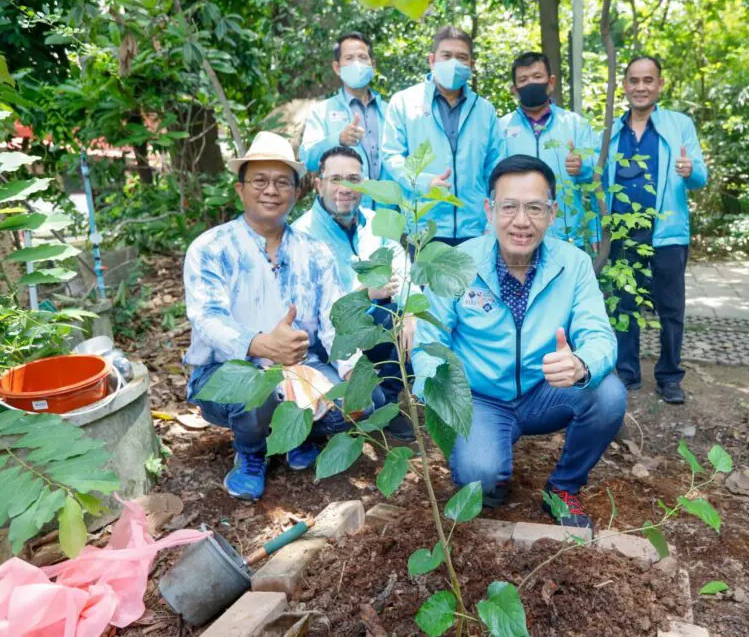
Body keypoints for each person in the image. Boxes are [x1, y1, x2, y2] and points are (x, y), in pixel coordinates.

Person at [411, 155, 626, 531]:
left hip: (544, 392)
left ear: (552, 212)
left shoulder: (573, 264)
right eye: (509, 206)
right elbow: (430, 340)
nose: (521, 221)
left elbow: (599, 334)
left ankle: (562, 487)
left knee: (608, 393)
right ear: (489, 209)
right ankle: (490, 464)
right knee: (479, 477)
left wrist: (581, 364)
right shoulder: (457, 263)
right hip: (479, 398)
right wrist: (440, 397)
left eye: (535, 208)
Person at [183, 131, 381, 501]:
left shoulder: (314, 252)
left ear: (296, 191)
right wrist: (260, 345)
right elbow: (207, 319)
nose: (271, 190)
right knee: (256, 393)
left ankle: (295, 437)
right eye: (260, 181)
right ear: (240, 189)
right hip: (227, 371)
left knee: (365, 401)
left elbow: (335, 320)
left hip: (301, 370)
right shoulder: (210, 248)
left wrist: (352, 368)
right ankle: (252, 453)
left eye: (282, 182)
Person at [293, 145, 415, 440]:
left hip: (376, 324)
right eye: (335, 179)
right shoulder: (302, 235)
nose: (345, 187)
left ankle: (388, 399)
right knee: (361, 402)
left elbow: (404, 268)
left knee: (410, 321)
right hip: (327, 339)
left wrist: (411, 311)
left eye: (354, 179)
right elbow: (307, 310)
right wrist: (363, 293)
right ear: (319, 184)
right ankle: (374, 403)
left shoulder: (377, 222)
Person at [604, 56, 707, 404]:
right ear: (625, 86)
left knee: (670, 308)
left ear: (660, 85)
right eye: (634, 80)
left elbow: (700, 178)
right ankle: (627, 373)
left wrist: (689, 170)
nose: (641, 87)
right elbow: (595, 178)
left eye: (648, 80)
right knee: (623, 304)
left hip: (667, 233)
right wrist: (578, 170)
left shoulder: (679, 124)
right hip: (621, 233)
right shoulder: (610, 128)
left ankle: (669, 376)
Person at [382, 25, 505, 246]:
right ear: (432, 60)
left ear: (471, 65)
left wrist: (493, 218)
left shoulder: (484, 110)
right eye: (446, 56)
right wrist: (424, 183)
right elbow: (392, 157)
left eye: (461, 57)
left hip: (475, 228)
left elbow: (496, 168)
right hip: (423, 225)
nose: (453, 63)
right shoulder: (404, 102)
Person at [499, 51, 600, 247]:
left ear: (551, 82)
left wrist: (583, 167)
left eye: (537, 77)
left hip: (568, 235)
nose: (531, 83)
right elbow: (491, 185)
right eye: (523, 79)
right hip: (517, 236)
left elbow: (600, 175)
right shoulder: (501, 128)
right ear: (514, 89)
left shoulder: (575, 125)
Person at [300, 32, 388, 208]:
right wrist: (337, 140)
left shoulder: (390, 110)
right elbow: (307, 159)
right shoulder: (322, 111)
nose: (357, 63)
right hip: (342, 212)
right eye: (349, 58)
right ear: (337, 67)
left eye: (363, 57)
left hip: (388, 214)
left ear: (373, 64)